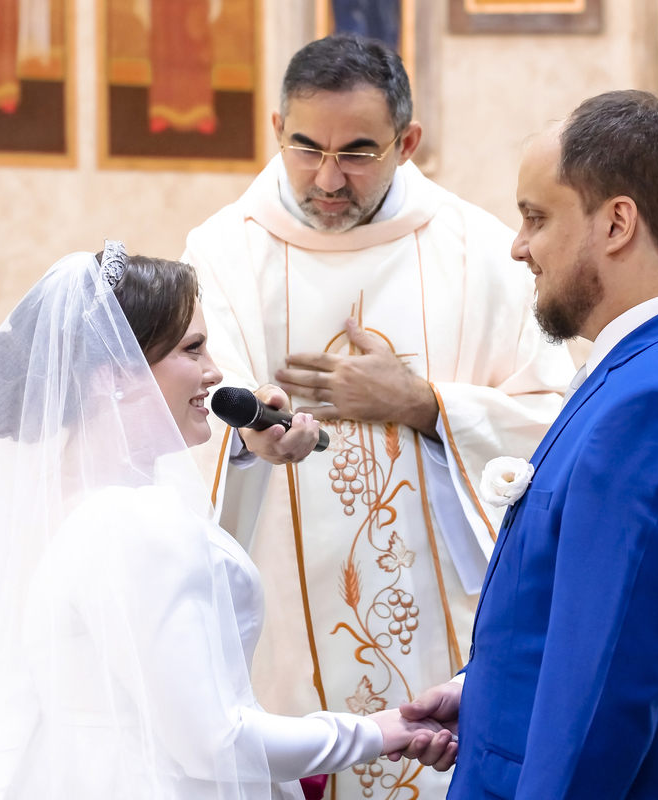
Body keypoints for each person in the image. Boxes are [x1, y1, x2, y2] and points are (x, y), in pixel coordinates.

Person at [0, 242, 444, 800]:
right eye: (193, 348)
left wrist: (251, 452)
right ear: (116, 376)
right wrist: (383, 731)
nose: (217, 373)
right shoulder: (137, 527)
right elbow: (214, 742)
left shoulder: (68, 497)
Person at [182, 34, 574, 800]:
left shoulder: (482, 254)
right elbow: (188, 416)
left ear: (408, 141)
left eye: (359, 153)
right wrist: (248, 438)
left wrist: (424, 405)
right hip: (283, 627)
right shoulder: (224, 251)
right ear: (276, 129)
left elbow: (557, 421)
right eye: (307, 147)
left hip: (439, 633)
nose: (328, 178)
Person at [399, 91, 658, 798]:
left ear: (616, 223)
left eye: (537, 218)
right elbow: (589, 619)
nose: (518, 246)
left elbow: (605, 694)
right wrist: (485, 693)